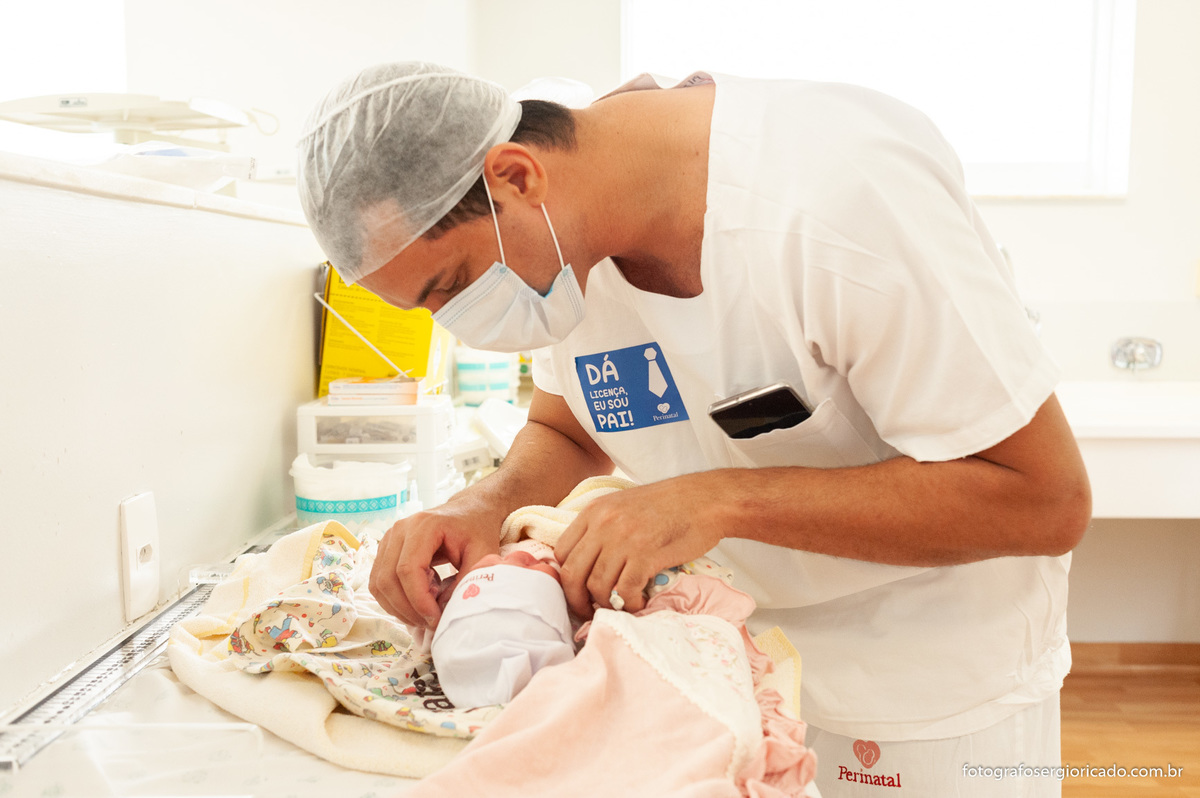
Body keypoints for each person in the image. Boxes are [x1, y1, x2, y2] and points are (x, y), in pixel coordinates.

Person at [297, 62, 1091, 796]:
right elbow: (572, 428)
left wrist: (716, 502)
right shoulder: (566, 242)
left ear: (515, 175)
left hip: (931, 689)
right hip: (729, 674)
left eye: (452, 287)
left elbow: (1044, 502)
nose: (462, 329)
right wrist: (486, 502)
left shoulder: (835, 205)